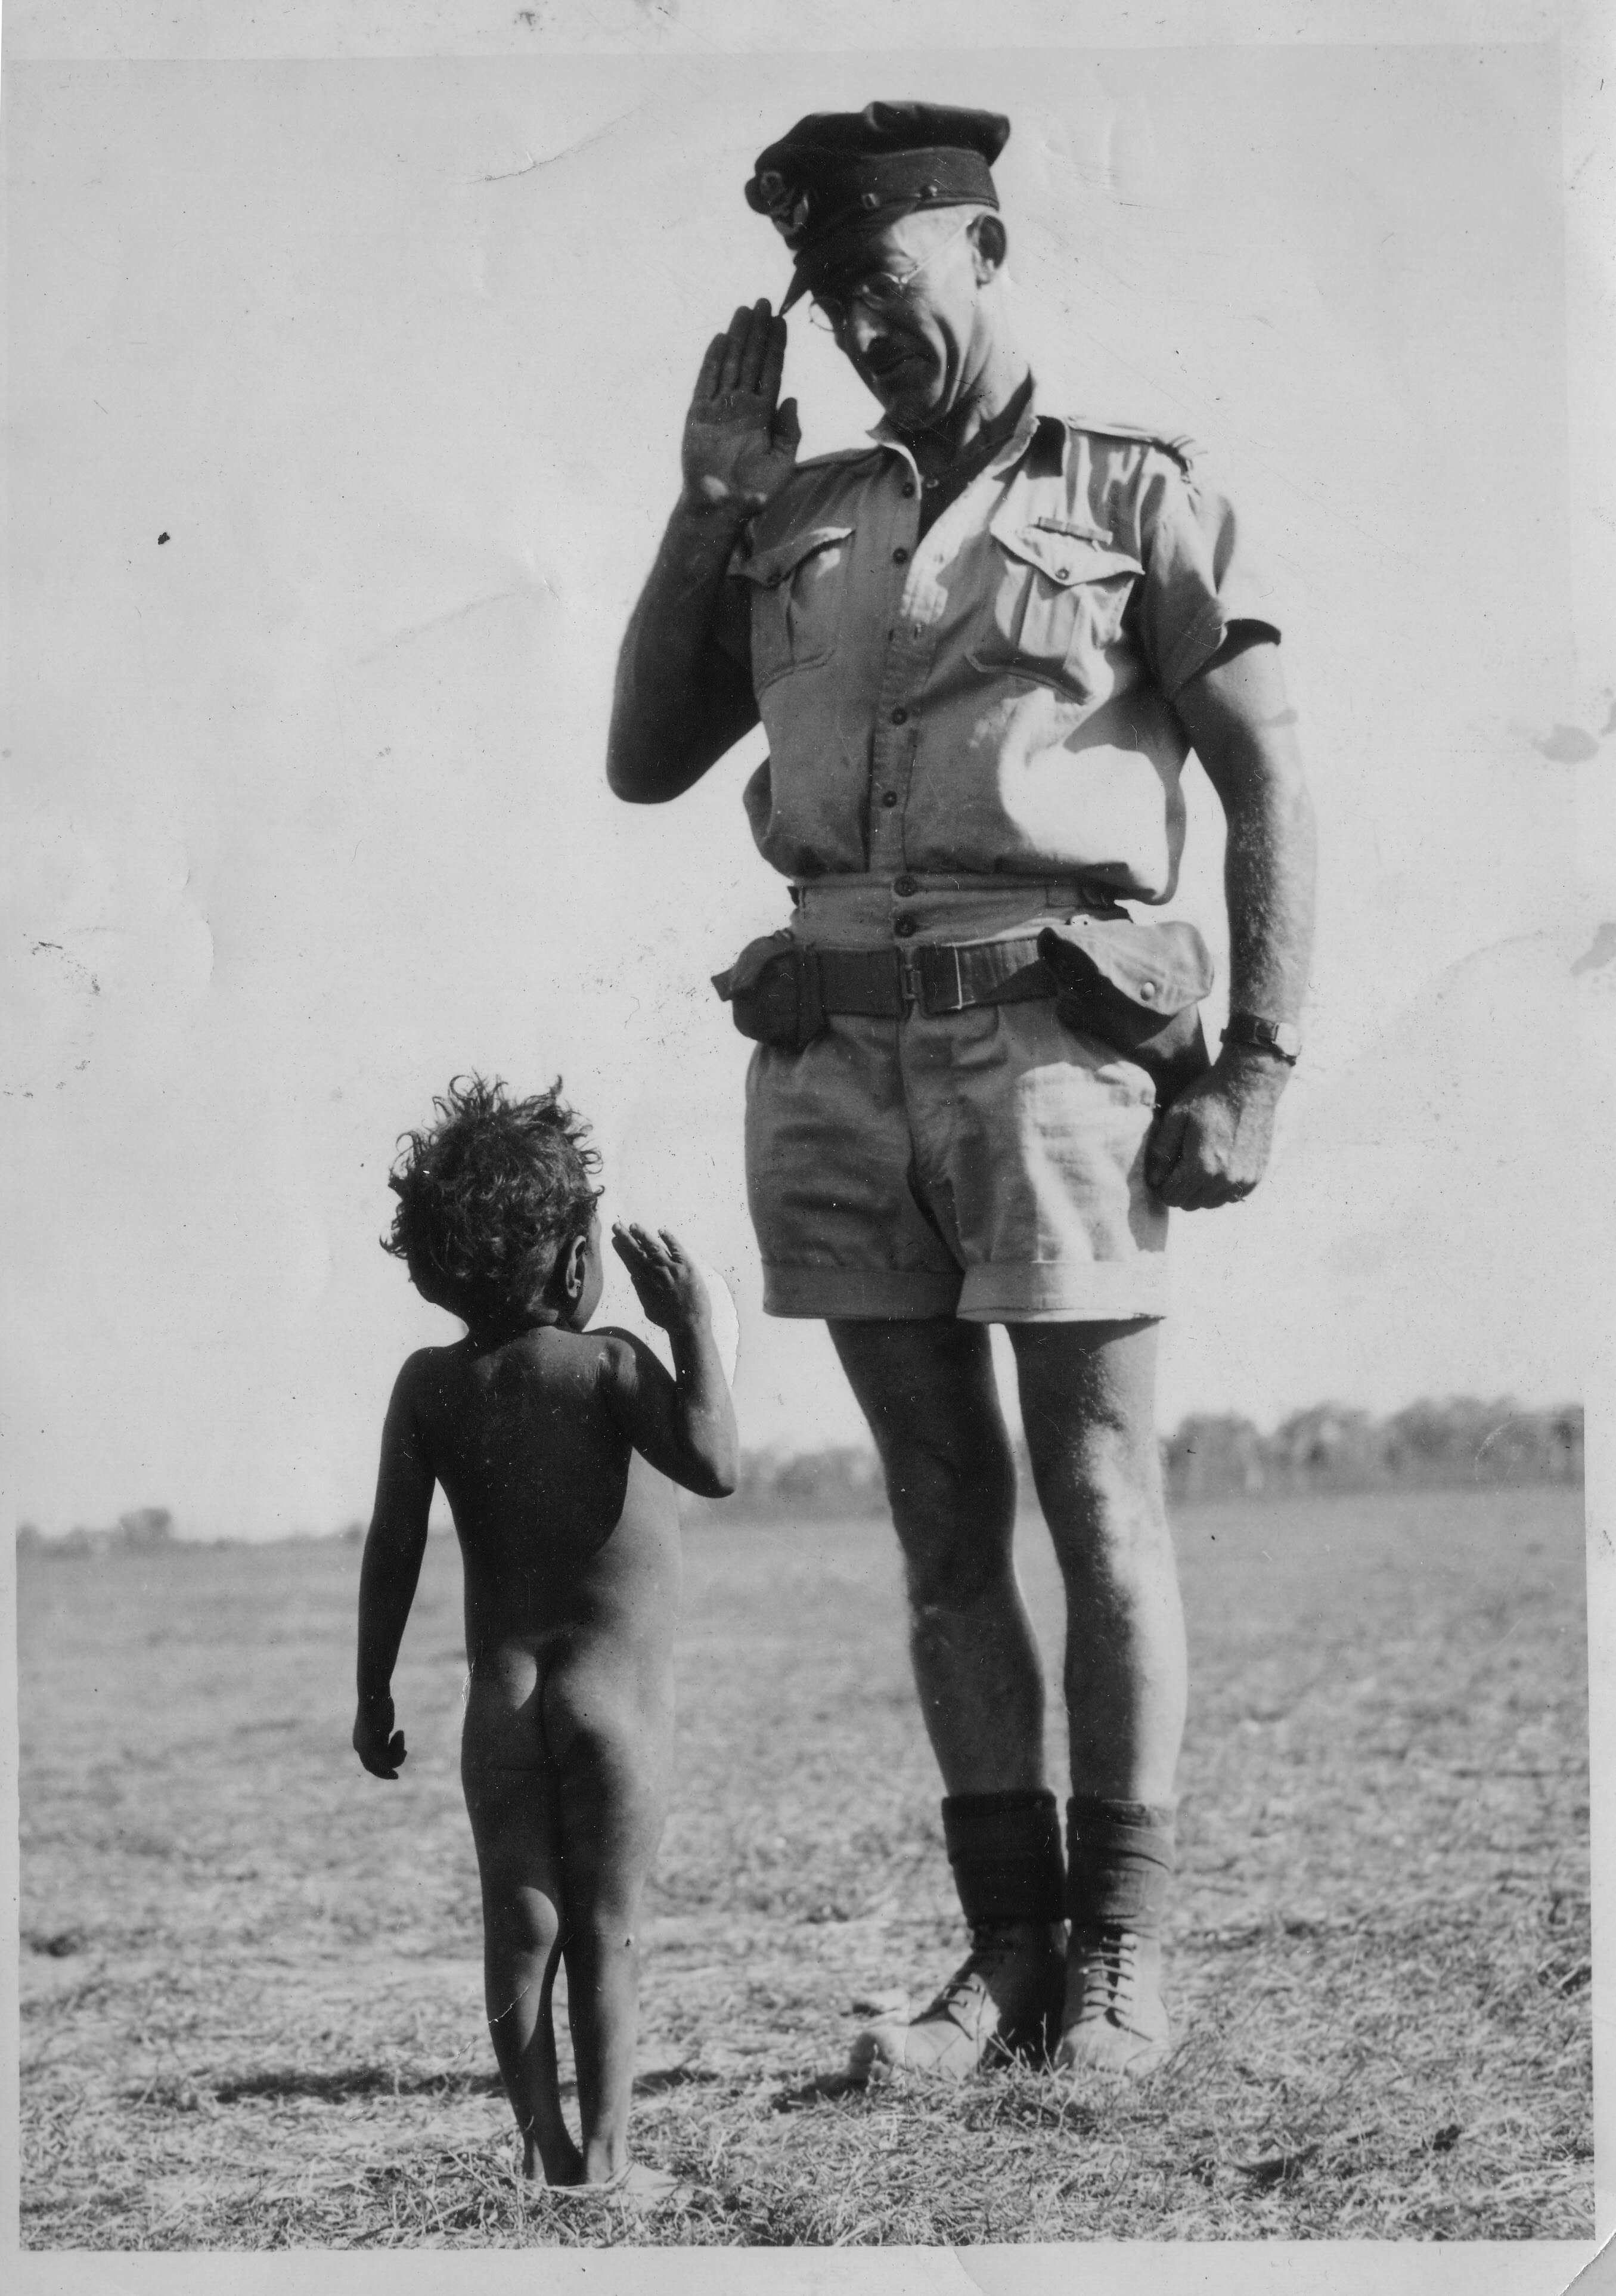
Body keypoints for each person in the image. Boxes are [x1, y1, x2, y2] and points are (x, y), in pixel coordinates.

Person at [606, 101, 1316, 2084]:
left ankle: (1118, 1961)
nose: (858, 321)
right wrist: (702, 501)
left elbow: (1267, 778)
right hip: (833, 1053)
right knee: (938, 1523)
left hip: (1054, 1053)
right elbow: (645, 759)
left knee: (1096, 1495)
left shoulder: (1136, 494)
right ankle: (1003, 1957)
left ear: (988, 250)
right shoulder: (800, 511)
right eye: (830, 294)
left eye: (888, 279)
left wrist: (1253, 1062)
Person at [351, 1076, 738, 2194]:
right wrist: (693, 1327)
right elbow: (714, 1464)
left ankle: (541, 2147)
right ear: (577, 1261)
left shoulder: (429, 1384)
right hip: (611, 1710)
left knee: (520, 1930)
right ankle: (610, 2158)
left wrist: (374, 1691)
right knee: (605, 1935)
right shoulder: (613, 1361)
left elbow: (393, 1549)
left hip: (499, 1707)